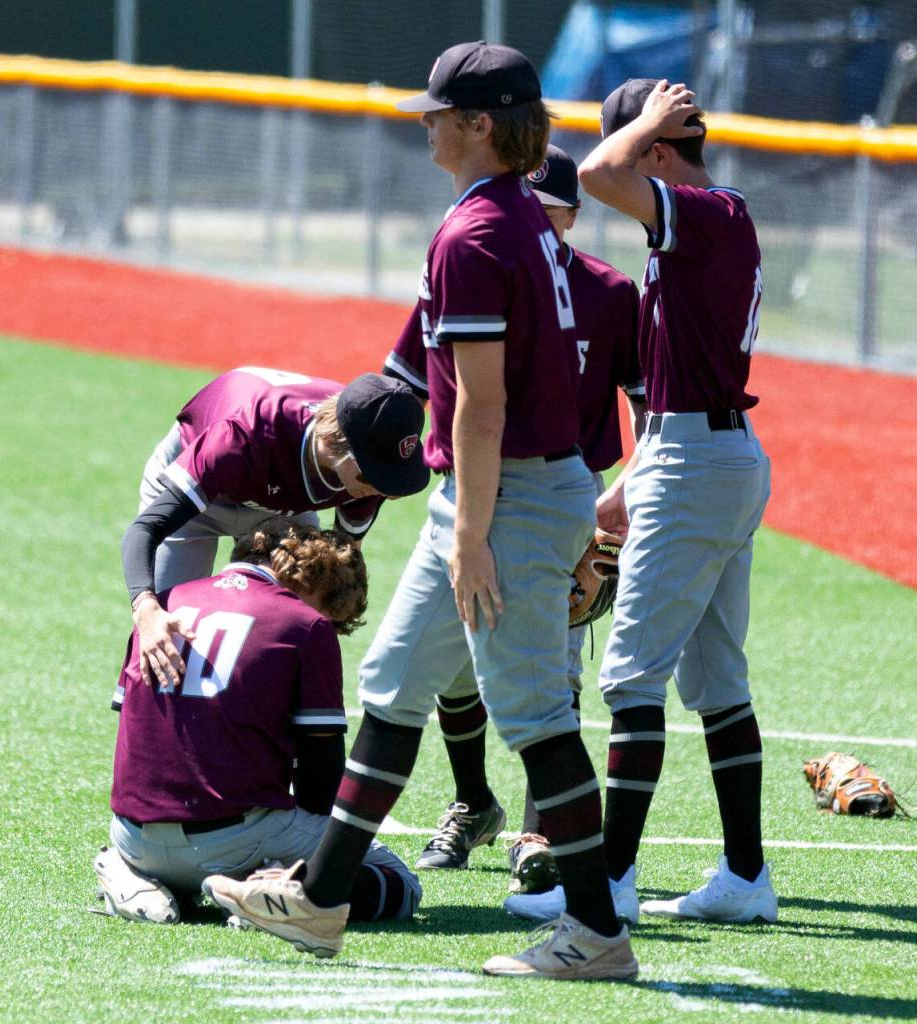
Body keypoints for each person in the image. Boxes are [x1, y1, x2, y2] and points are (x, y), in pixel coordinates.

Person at [203, 41, 639, 981]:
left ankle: (598, 935)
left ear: (481, 125)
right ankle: (321, 901)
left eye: (440, 112)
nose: (428, 123)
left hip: (509, 495)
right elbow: (427, 378)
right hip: (503, 489)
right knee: (396, 683)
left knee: (532, 710)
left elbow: (482, 407)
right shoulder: (508, 217)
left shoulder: (478, 232)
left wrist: (472, 535)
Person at [510, 78, 774, 927]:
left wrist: (645, 129)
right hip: (696, 452)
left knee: (629, 678)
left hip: (701, 461)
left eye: (640, 145)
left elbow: (594, 174)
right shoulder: (709, 224)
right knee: (717, 679)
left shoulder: (708, 212)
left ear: (660, 151)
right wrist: (634, 481)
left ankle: (610, 880)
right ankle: (744, 877)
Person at [386, 146, 645, 900]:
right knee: (448, 659)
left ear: (571, 215)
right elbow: (403, 379)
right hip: (471, 486)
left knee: (547, 674)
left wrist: (623, 501)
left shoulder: (606, 290)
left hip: (561, 494)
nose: (536, 219)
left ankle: (542, 834)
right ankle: (474, 802)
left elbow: (644, 402)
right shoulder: (479, 263)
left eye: (550, 209)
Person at [95, 519, 422, 927]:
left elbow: (138, 728)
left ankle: (130, 875)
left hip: (130, 835)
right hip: (232, 843)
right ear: (324, 587)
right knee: (402, 884)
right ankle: (269, 893)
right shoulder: (306, 624)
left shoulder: (162, 603)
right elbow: (320, 786)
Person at [119, 365, 429, 696]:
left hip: (283, 505)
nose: (389, 491)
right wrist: (146, 608)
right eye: (378, 477)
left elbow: (341, 568)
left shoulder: (364, 457)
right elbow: (145, 529)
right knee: (168, 633)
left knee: (297, 620)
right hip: (203, 492)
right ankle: (143, 727)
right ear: (332, 443)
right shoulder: (241, 438)